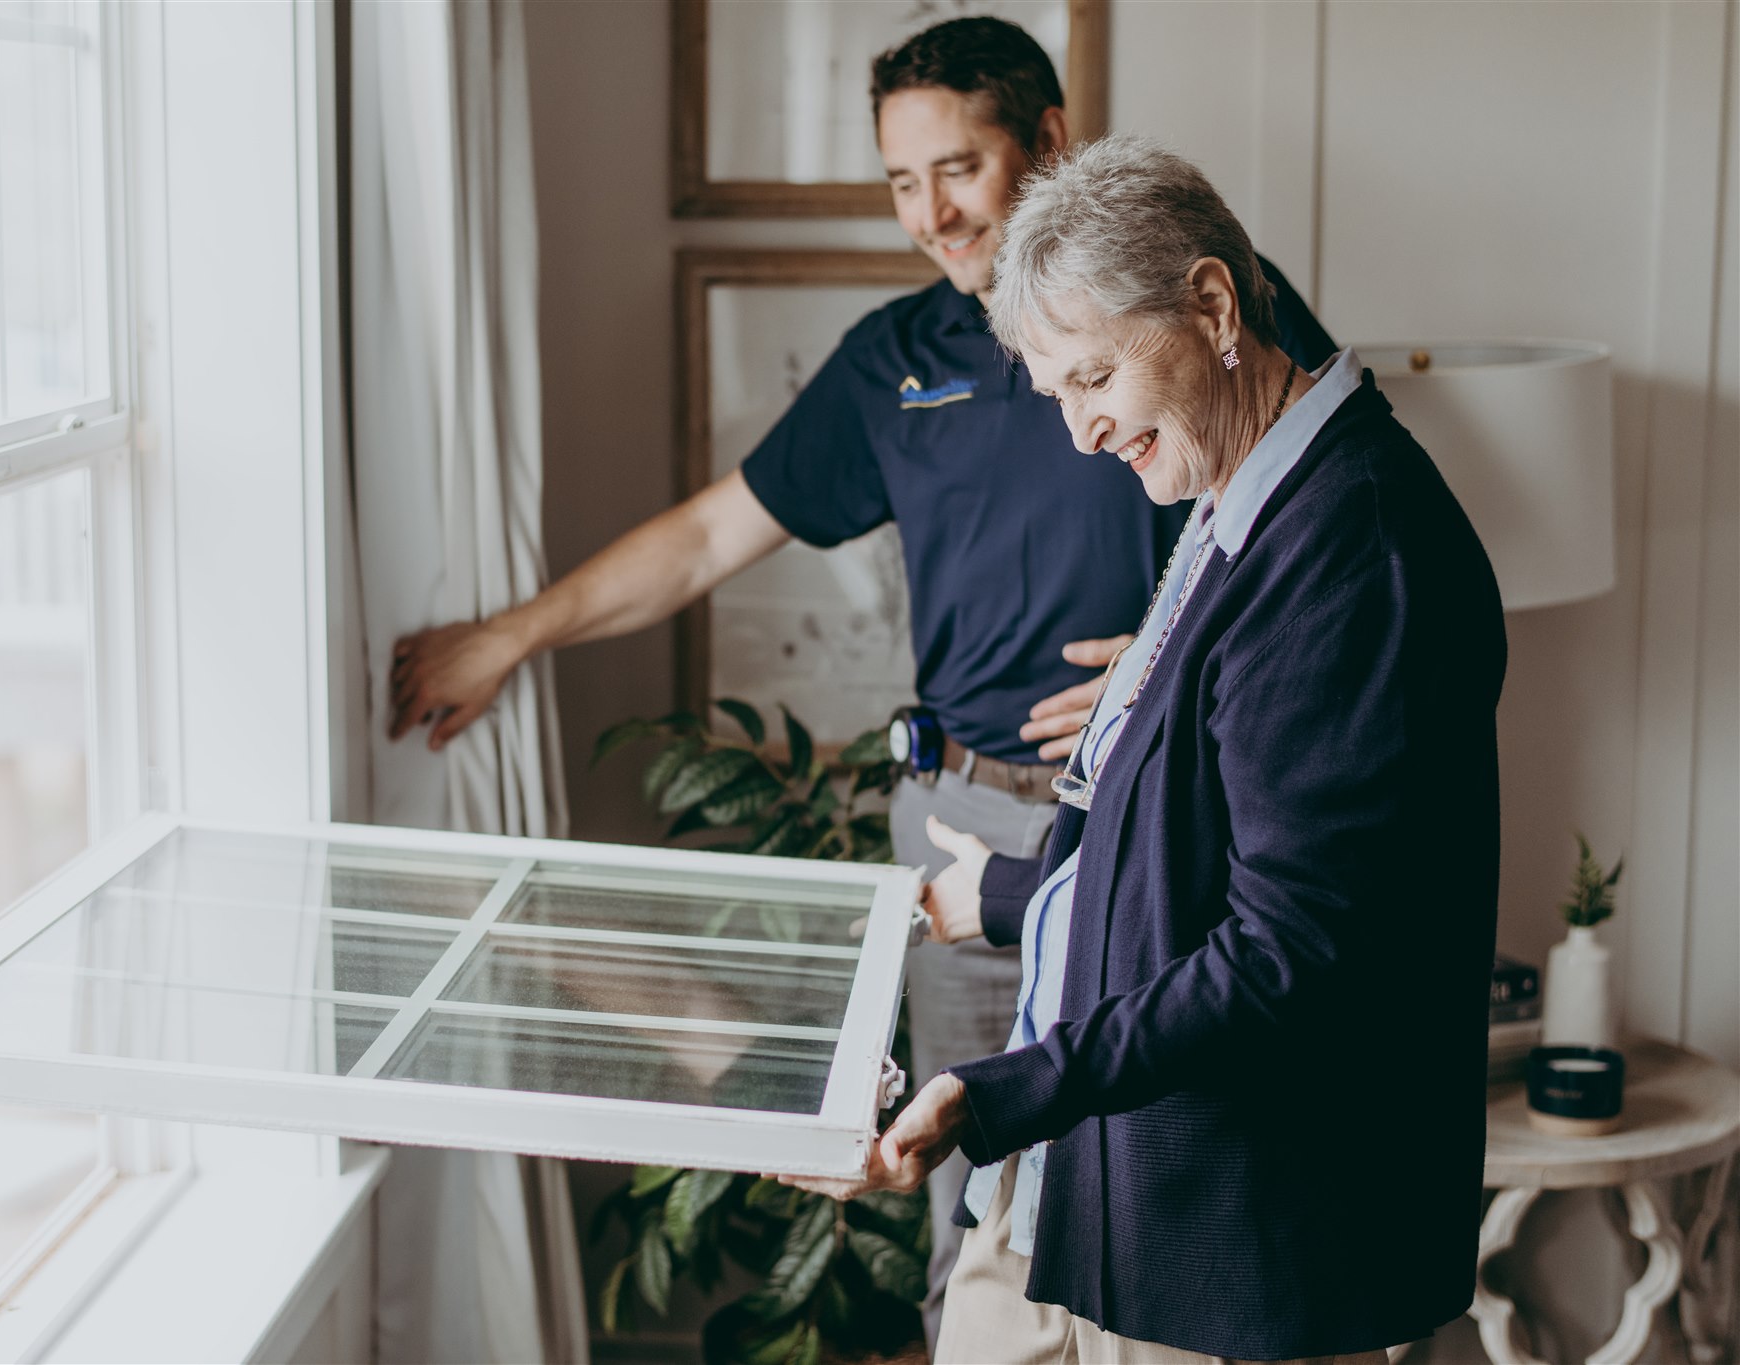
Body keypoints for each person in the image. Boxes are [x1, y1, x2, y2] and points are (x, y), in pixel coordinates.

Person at [388, 19, 1335, 1332]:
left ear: (1048, 142)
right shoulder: (891, 363)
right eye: (901, 181)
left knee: (1158, 1192)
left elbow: (1312, 505)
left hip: (1149, 822)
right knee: (972, 1201)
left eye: (958, 167)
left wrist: (1183, 642)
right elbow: (716, 531)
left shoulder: (1187, 294)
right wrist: (510, 635)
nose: (931, 212)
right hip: (961, 819)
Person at [784, 134, 1506, 1365]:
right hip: (1104, 1177)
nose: (1079, 433)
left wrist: (997, 1092)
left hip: (1244, 1233)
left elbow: (1289, 948)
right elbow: (1201, 827)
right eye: (1052, 391)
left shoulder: (1351, 547)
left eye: (1092, 378)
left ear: (1212, 304)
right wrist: (1014, 894)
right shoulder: (1238, 495)